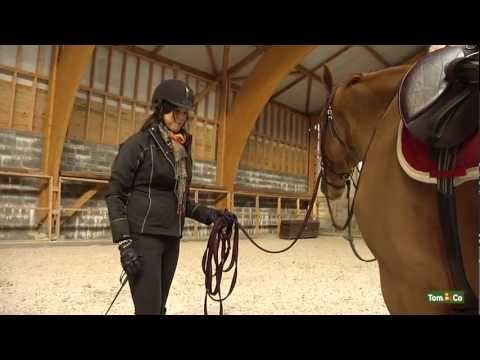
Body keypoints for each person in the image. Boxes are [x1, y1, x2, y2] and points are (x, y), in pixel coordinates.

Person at [105, 79, 236, 315]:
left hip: (171, 237)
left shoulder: (182, 150)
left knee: (159, 307)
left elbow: (181, 201)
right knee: (148, 311)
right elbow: (115, 193)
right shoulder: (138, 145)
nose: (181, 117)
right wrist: (124, 243)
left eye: (185, 113)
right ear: (162, 108)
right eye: (176, 111)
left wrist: (212, 216)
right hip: (144, 237)